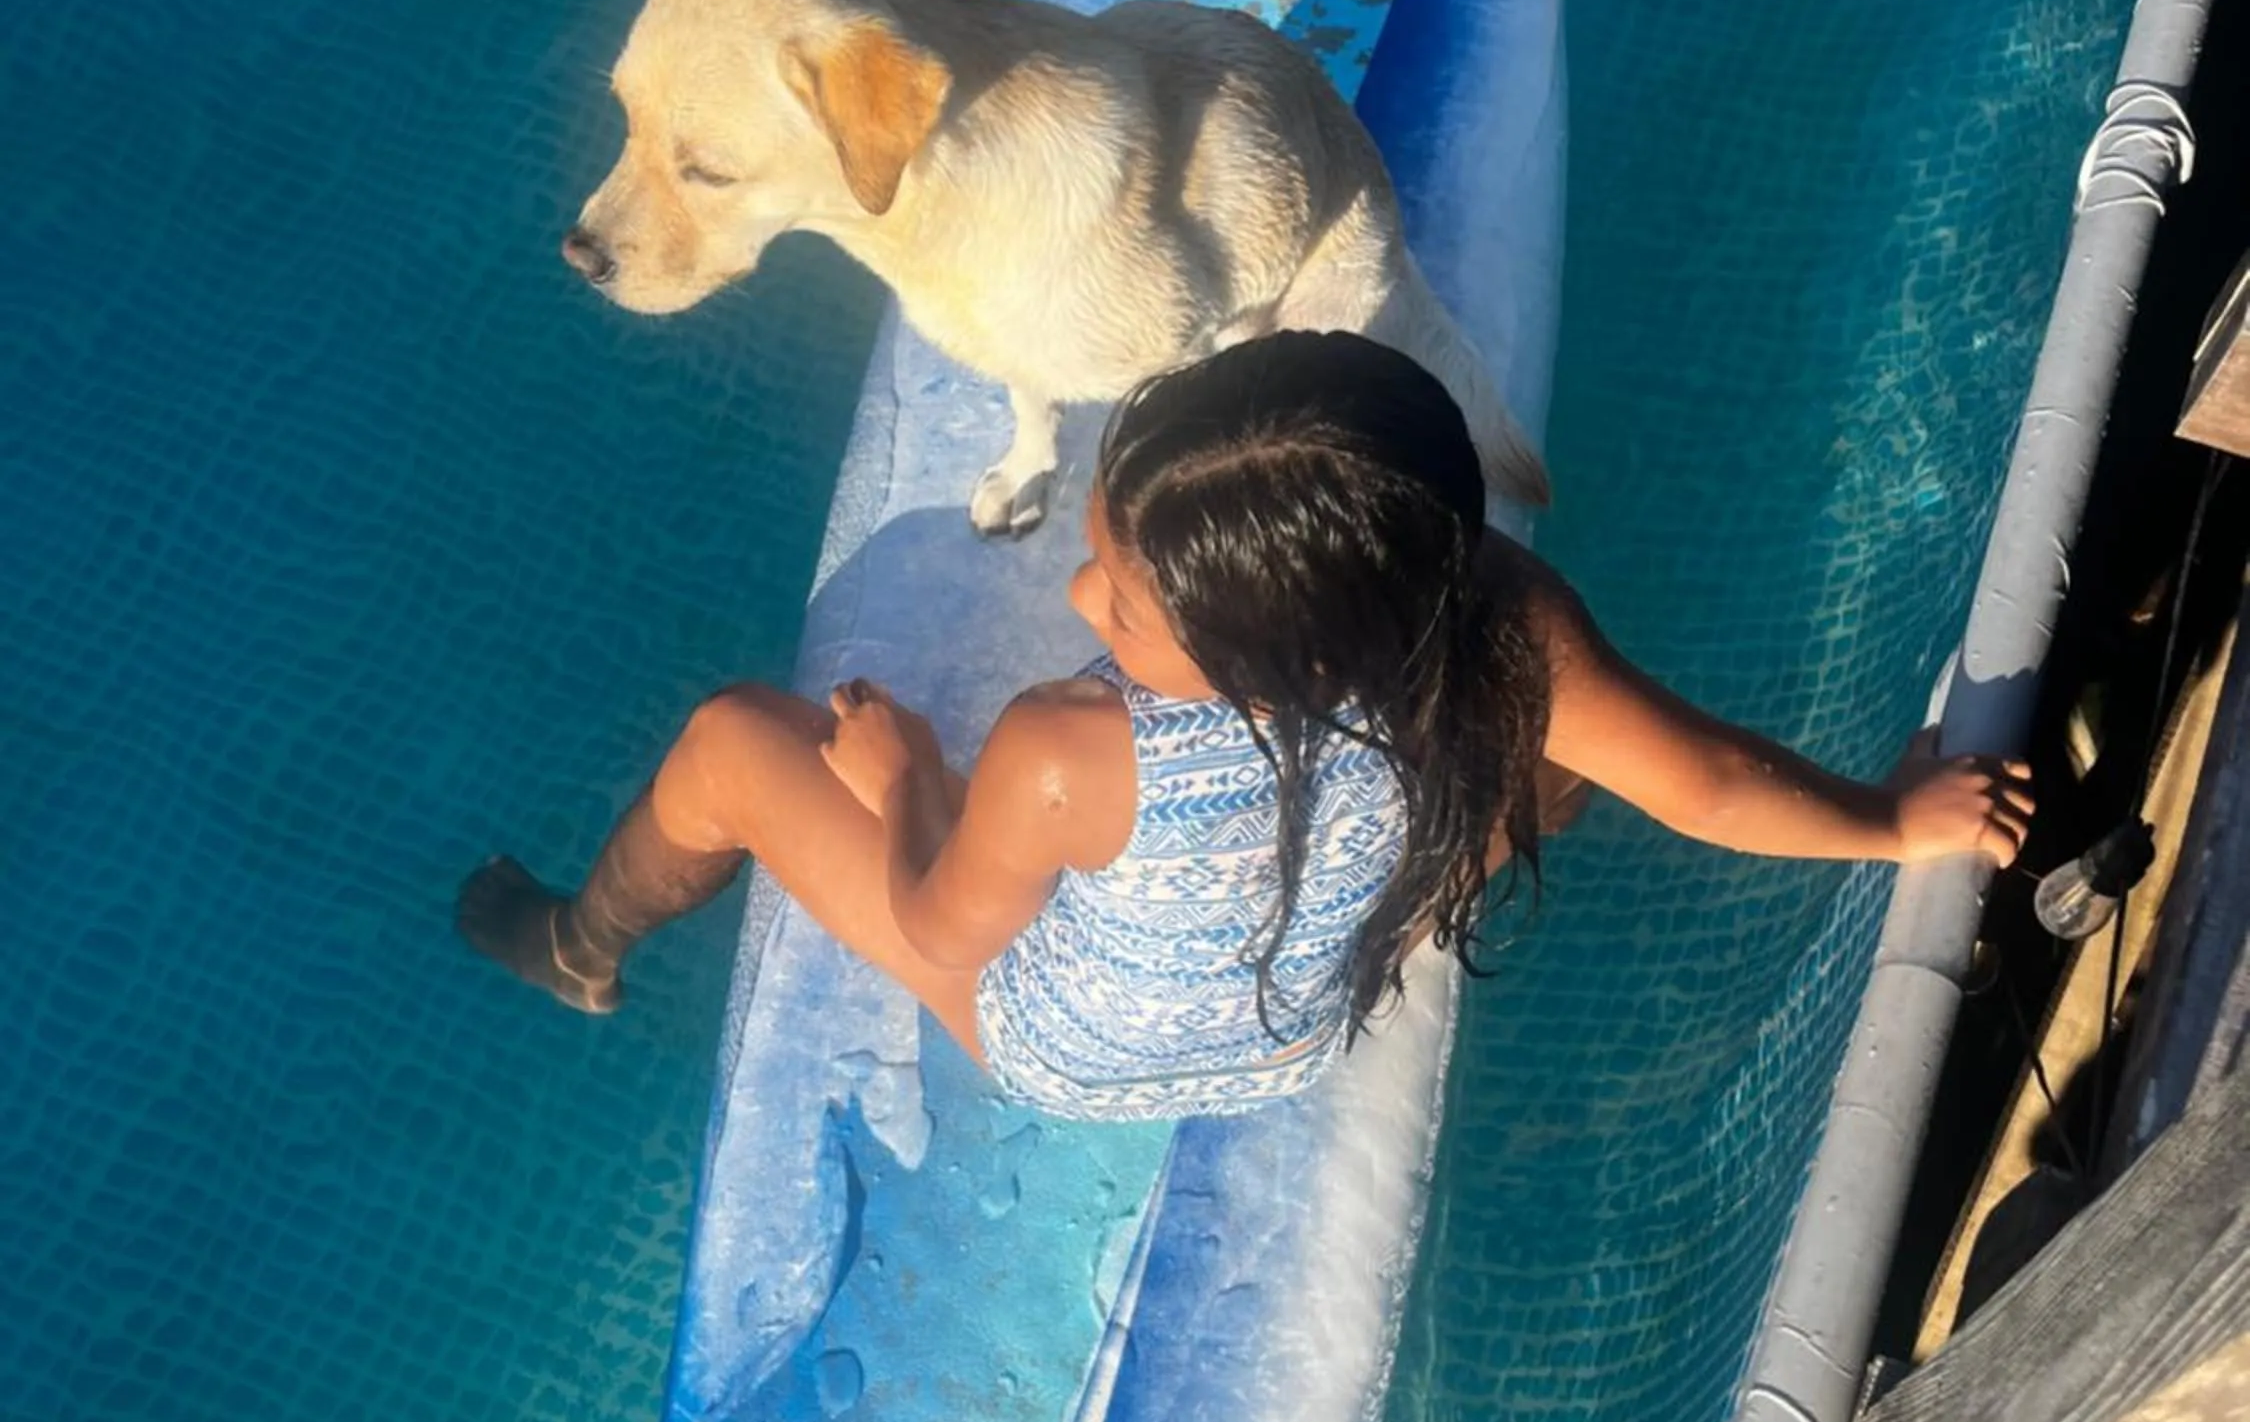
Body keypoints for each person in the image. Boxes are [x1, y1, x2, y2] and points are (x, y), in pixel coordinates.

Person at [456, 334, 2031, 1122]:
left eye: (1127, 607)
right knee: (1561, 753)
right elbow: (1712, 783)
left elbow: (945, 923)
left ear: (1266, 649)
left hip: (1070, 1051)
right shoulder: (1494, 618)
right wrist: (1900, 824)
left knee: (733, 740)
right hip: (1291, 1041)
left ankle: (578, 946)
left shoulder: (1067, 754)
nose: (1081, 602)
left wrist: (908, 775)